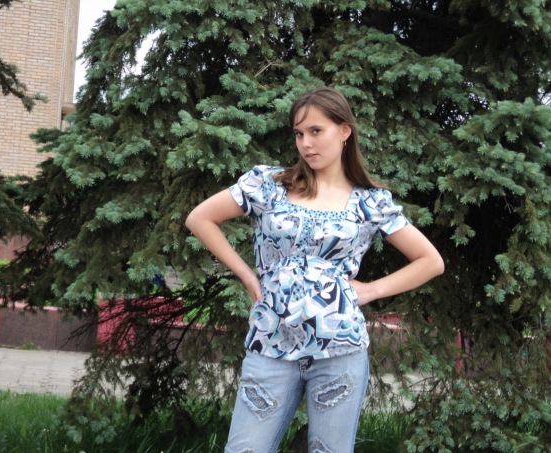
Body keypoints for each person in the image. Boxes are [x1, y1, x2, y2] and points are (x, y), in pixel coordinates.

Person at [185, 86, 444, 452]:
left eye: (316, 131)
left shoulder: (370, 202)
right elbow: (199, 218)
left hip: (339, 351)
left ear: (344, 131)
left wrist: (370, 290)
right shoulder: (269, 186)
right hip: (270, 344)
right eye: (299, 133)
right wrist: (246, 274)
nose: (306, 143)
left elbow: (431, 262)